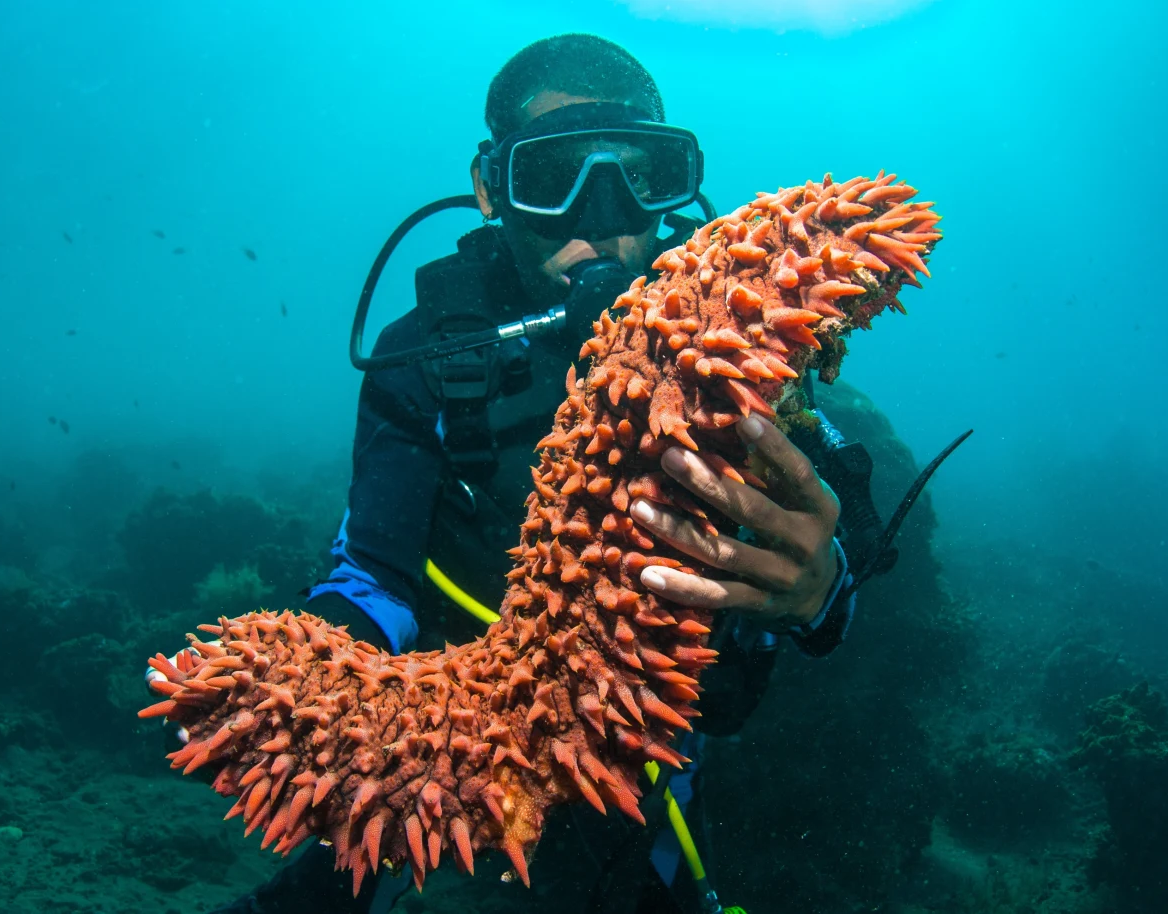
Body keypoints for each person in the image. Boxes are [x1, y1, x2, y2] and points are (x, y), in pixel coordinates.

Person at [208, 34, 869, 914]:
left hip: (642, 771)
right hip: (455, 746)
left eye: (641, 174)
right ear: (492, 189)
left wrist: (820, 595)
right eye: (554, 178)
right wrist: (325, 680)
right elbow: (373, 573)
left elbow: (833, 558)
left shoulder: (747, 355)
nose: (606, 216)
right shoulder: (431, 358)